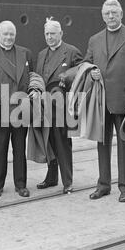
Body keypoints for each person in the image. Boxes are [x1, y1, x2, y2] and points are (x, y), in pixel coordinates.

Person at [84, 0, 125, 202]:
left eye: (114, 12)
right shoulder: (94, 39)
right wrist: (91, 71)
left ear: (121, 14)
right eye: (107, 13)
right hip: (101, 102)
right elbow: (86, 63)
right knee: (102, 145)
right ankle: (103, 185)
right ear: (102, 16)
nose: (110, 16)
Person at [0, 21, 34, 198]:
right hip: (0, 110)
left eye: (11, 34)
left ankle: (21, 185)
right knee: (0, 149)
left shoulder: (25, 53)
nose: (9, 37)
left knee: (19, 149)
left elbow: (31, 78)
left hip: (20, 109)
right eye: (5, 34)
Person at [33, 18, 82, 194]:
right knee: (49, 144)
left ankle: (67, 181)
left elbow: (82, 75)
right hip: (44, 108)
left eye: (53, 33)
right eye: (47, 34)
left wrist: (67, 77)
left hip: (61, 108)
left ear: (61, 33)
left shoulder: (71, 52)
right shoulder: (41, 54)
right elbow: (37, 78)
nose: (49, 37)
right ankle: (51, 177)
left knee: (62, 144)